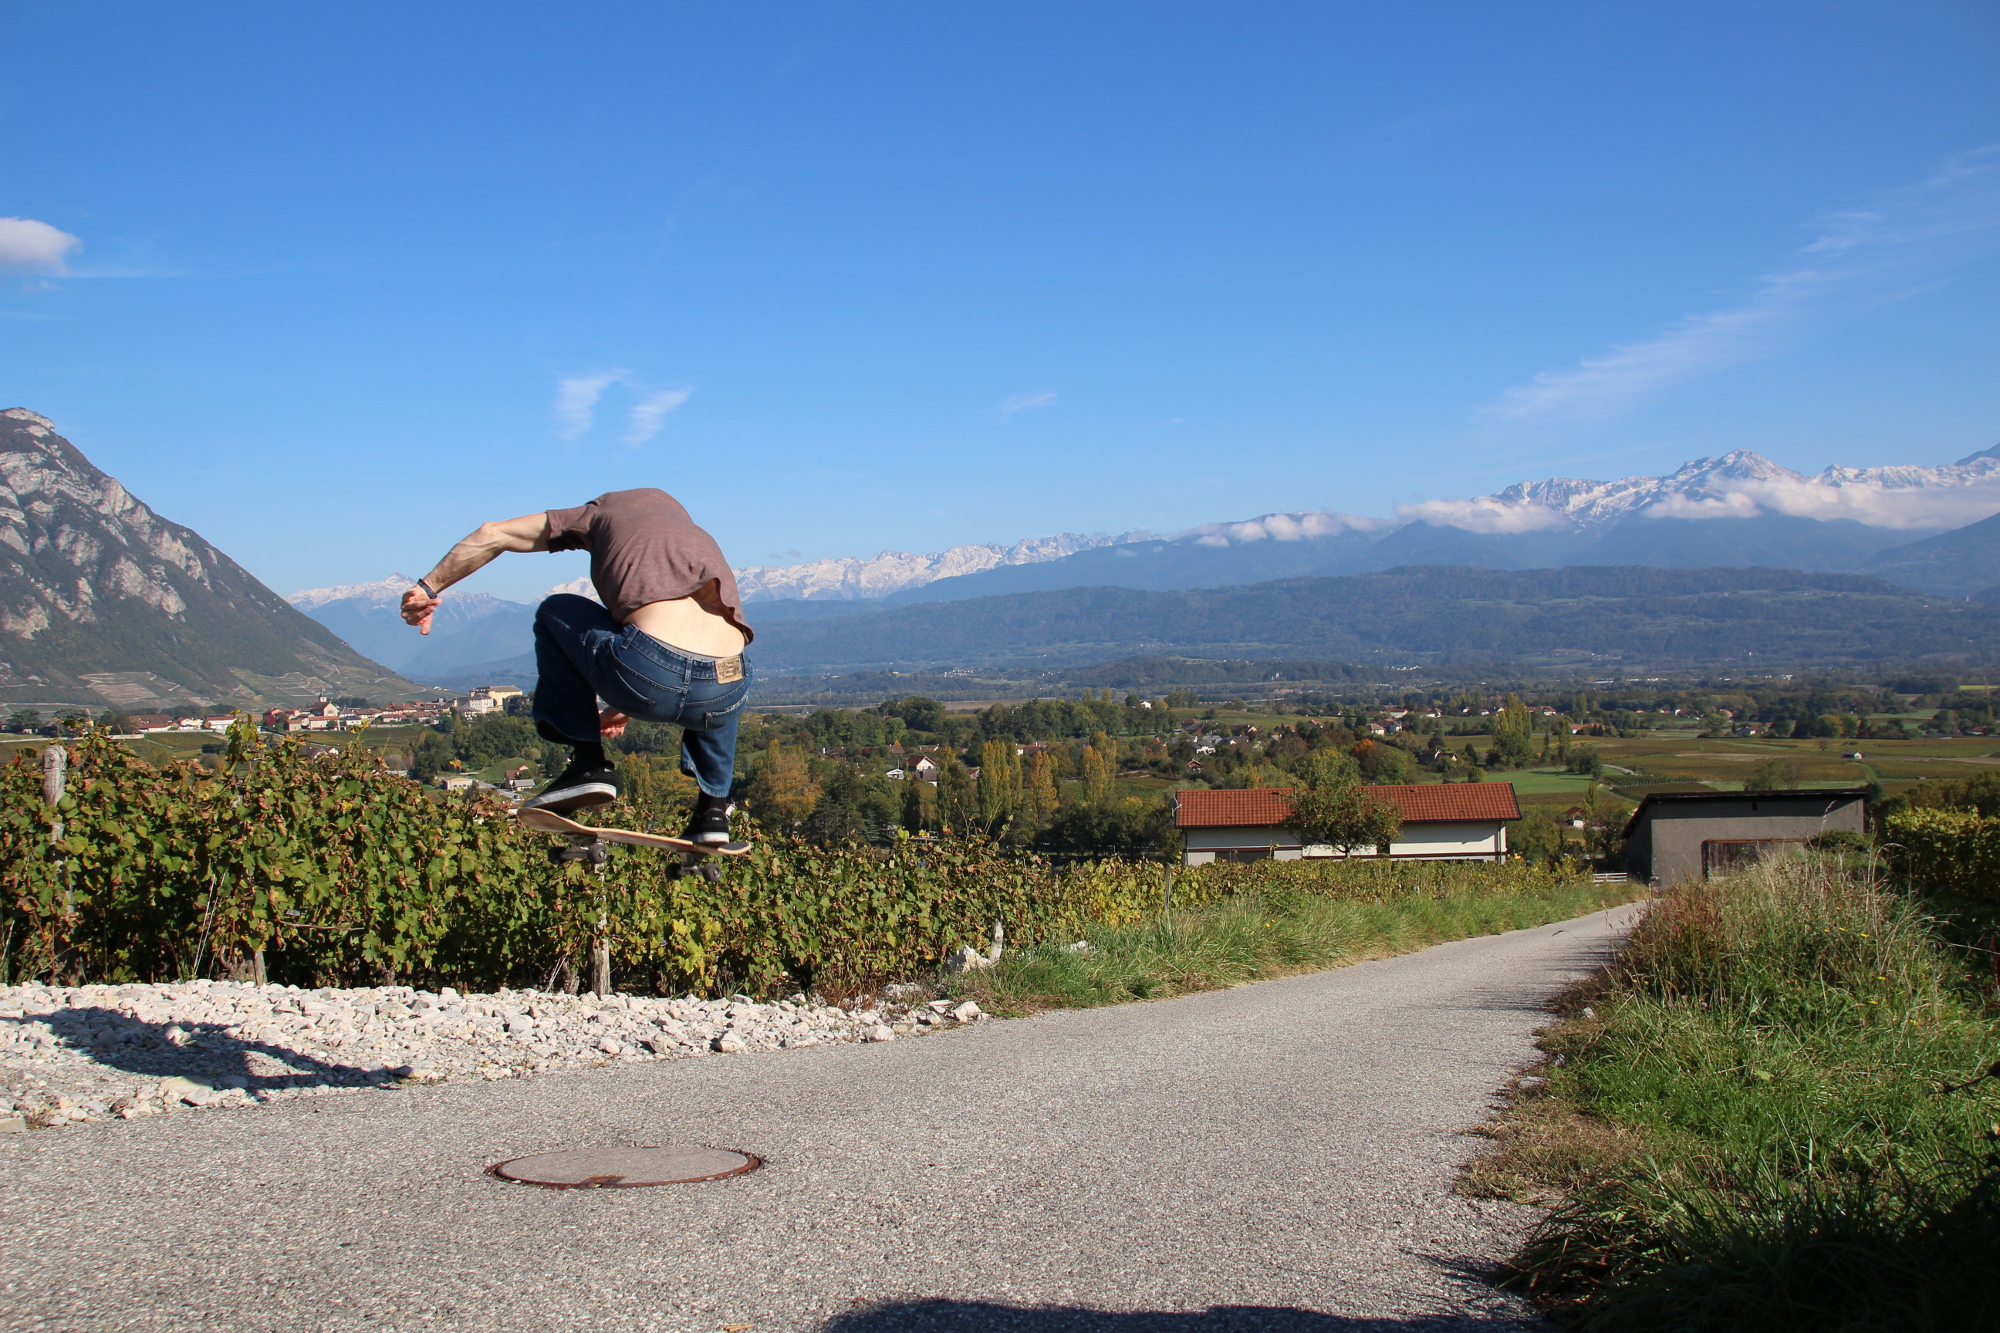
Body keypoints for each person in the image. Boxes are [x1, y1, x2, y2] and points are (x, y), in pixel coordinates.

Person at [398, 488, 753, 844]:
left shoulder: (601, 513)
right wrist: (629, 700)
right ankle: (713, 811)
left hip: (647, 673)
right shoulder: (697, 541)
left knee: (556, 610)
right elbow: (693, 659)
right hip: (725, 693)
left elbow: (493, 533)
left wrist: (428, 588)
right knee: (726, 663)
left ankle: (588, 764)